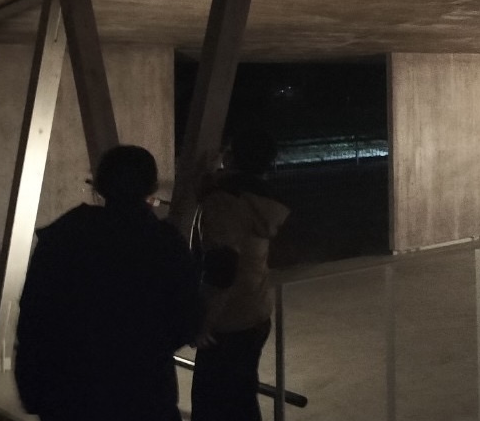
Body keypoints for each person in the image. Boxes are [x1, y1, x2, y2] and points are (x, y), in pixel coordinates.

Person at [15, 145, 200, 421]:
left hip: (72, 391)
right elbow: (187, 319)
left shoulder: (66, 235)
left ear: (100, 184)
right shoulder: (165, 243)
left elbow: (35, 315)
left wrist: (34, 386)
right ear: (151, 188)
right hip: (143, 391)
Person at [191, 130, 290, 421]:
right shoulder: (262, 200)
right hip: (255, 312)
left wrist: (204, 322)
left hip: (226, 322)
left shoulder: (224, 201)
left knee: (213, 407)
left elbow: (222, 266)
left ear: (231, 157)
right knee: (241, 401)